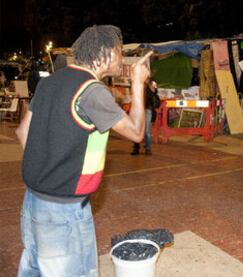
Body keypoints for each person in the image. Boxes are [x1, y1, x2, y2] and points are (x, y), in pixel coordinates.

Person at [15, 25, 152, 277]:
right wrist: (137, 84)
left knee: (34, 267)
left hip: (33, 198)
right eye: (120, 52)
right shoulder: (92, 91)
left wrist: (44, 172)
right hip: (64, 208)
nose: (121, 58)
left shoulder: (49, 82)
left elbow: (23, 132)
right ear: (108, 53)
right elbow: (135, 132)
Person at [131, 78, 160, 156]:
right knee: (137, 129)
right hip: (138, 109)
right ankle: (136, 148)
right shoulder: (138, 84)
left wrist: (151, 87)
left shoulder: (152, 83)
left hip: (147, 109)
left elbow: (155, 93)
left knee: (147, 130)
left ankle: (148, 148)